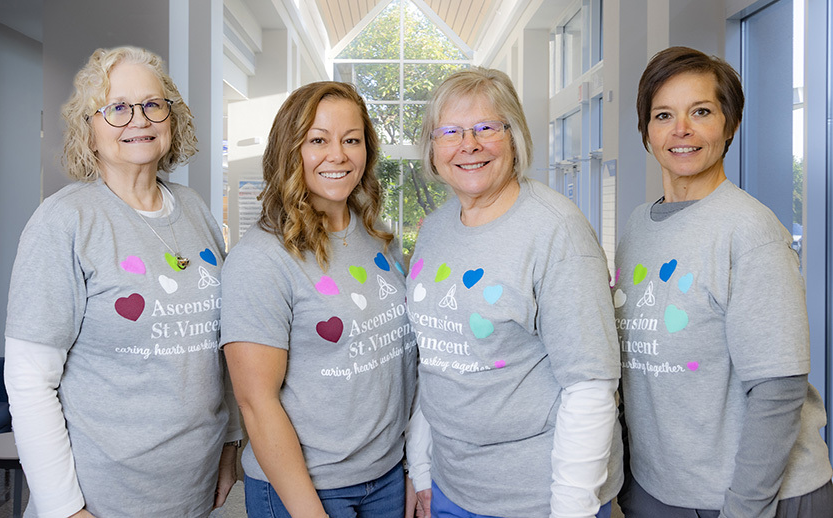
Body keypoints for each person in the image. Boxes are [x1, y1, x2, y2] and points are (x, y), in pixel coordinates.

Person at [3, 46, 242, 517]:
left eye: (154, 104)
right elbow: (30, 380)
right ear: (89, 131)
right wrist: (63, 507)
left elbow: (224, 345)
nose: (140, 119)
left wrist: (230, 445)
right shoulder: (65, 222)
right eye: (117, 108)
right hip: (101, 498)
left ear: (171, 120)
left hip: (192, 488)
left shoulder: (196, 210)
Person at [614, 46, 833, 517]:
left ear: (730, 124)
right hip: (663, 489)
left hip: (751, 497)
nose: (681, 131)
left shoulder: (750, 231)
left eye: (701, 112)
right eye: (663, 115)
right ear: (646, 131)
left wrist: (744, 508)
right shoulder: (637, 228)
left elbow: (778, 387)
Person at [404, 67, 623, 518]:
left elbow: (590, 386)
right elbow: (437, 359)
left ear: (514, 136)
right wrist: (423, 469)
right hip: (452, 486)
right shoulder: (436, 228)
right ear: (433, 146)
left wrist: (570, 510)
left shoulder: (556, 230)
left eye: (486, 127)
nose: (469, 144)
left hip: (539, 498)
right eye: (451, 131)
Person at [220, 81, 417, 518]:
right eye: (318, 140)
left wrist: (407, 468)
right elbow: (257, 402)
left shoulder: (378, 238)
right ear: (291, 150)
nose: (338, 155)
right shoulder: (260, 259)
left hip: (385, 477)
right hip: (307, 490)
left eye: (351, 139)